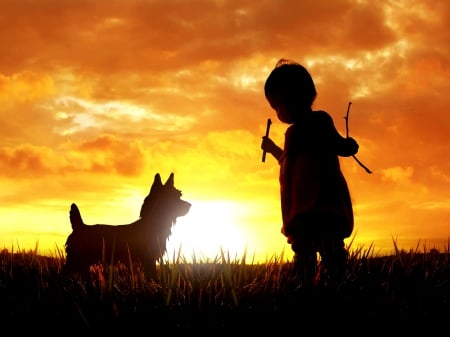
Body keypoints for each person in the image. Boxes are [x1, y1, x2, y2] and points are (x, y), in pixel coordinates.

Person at [261, 59, 359, 288]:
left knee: (329, 247)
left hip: (320, 201)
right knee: (305, 249)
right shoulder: (294, 133)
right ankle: (309, 283)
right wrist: (274, 149)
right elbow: (288, 162)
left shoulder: (319, 122)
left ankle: (331, 282)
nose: (277, 113)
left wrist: (348, 146)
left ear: (293, 99)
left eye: (278, 106)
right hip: (303, 205)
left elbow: (336, 145)